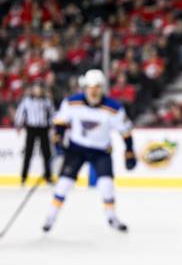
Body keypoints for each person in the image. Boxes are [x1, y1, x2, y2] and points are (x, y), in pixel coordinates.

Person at [42, 69, 137, 232]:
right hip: (76, 149)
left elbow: (126, 131)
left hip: (101, 151)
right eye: (90, 87)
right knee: (63, 184)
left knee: (106, 185)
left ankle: (111, 217)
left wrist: (129, 151)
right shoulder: (71, 102)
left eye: (97, 87)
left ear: (102, 88)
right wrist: (58, 140)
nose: (93, 91)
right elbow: (60, 122)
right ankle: (51, 216)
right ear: (84, 87)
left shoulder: (114, 107)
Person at [14, 82, 54, 185]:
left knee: (47, 153)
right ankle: (24, 176)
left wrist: (52, 126)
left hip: (43, 129)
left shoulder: (47, 101)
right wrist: (18, 125)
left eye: (39, 89)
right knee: (28, 153)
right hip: (31, 128)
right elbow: (20, 113)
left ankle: (48, 176)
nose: (38, 91)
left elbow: (52, 114)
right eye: (36, 89)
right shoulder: (27, 101)